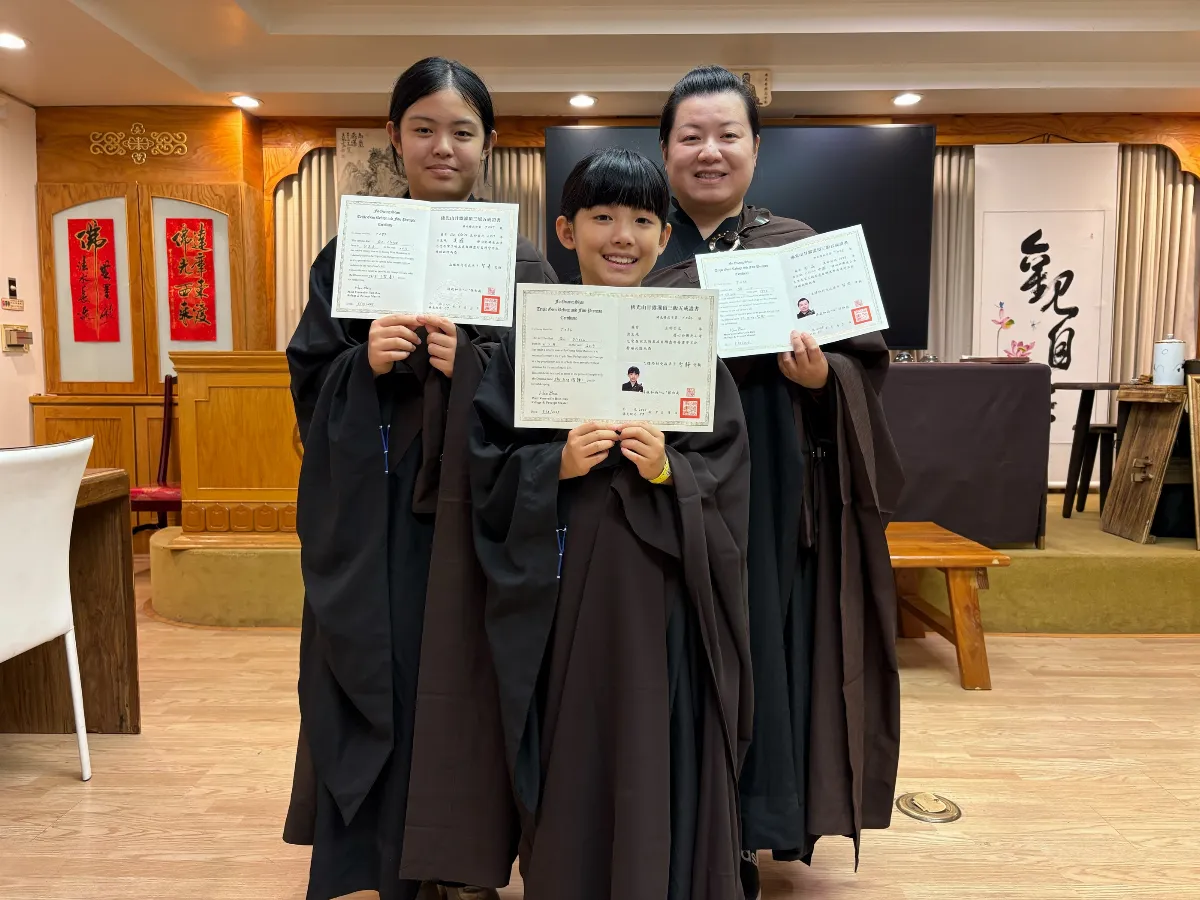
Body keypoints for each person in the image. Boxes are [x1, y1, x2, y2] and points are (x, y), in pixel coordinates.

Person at [282, 57, 556, 900]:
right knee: (381, 669)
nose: (444, 147)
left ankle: (463, 858)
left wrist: (476, 366)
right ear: (395, 137)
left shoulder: (521, 260)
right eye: (425, 129)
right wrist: (360, 365)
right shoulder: (351, 254)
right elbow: (309, 374)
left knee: (468, 679)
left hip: (478, 515)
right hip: (378, 516)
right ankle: (375, 854)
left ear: (490, 144)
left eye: (463, 132)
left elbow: (552, 384)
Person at [643, 65, 905, 899]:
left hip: (768, 493)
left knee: (761, 651)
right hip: (662, 485)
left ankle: (748, 836)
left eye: (728, 135)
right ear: (665, 149)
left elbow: (867, 373)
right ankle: (671, 825)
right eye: (691, 136)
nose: (709, 151)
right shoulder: (639, 245)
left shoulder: (800, 248)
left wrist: (823, 378)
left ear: (757, 148)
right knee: (672, 654)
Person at [462, 147, 752, 900]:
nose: (622, 235)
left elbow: (723, 466)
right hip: (564, 590)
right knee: (575, 741)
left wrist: (667, 470)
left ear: (664, 237)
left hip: (662, 591)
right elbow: (487, 462)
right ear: (566, 230)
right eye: (602, 217)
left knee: (655, 742)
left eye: (642, 219)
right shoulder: (534, 334)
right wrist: (551, 466)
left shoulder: (687, 334)